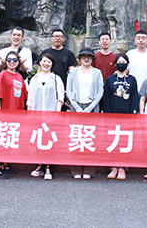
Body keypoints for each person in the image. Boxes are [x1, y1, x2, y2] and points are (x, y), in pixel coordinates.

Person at [66, 47, 104, 179]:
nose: (86, 59)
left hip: (92, 107)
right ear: (79, 59)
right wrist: (77, 107)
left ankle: (89, 169)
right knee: (76, 137)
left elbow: (100, 92)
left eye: (89, 56)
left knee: (90, 138)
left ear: (93, 59)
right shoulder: (73, 72)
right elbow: (69, 91)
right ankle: (76, 169)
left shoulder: (97, 73)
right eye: (83, 56)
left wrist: (89, 108)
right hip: (76, 107)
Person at [102, 53, 139, 180]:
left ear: (127, 64)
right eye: (119, 62)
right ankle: (113, 167)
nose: (121, 64)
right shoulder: (110, 79)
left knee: (124, 141)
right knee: (112, 140)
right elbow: (106, 98)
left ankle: (123, 167)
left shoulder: (132, 79)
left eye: (124, 62)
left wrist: (134, 112)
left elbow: (134, 97)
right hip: (112, 114)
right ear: (115, 64)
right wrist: (107, 113)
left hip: (127, 114)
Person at [27, 53, 64, 180]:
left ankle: (49, 167)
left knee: (50, 141)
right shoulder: (34, 79)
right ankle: (40, 166)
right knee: (38, 141)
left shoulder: (56, 79)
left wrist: (57, 113)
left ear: (52, 64)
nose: (46, 64)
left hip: (51, 116)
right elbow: (30, 98)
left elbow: (60, 97)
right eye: (44, 61)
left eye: (49, 62)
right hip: (37, 116)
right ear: (40, 63)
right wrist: (29, 114)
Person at [0, 50, 28, 179]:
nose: (12, 62)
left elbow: (23, 96)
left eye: (14, 60)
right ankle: (0, 166)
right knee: (3, 138)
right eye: (9, 60)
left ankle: (7, 163)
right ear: (5, 62)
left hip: (16, 112)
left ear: (18, 62)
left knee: (11, 138)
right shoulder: (2, 75)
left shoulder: (19, 77)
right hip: (5, 111)